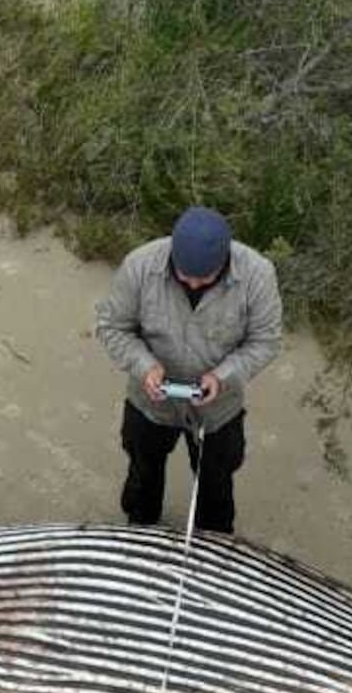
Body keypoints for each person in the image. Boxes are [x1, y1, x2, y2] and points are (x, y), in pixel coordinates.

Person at [93, 205, 284, 536]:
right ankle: (140, 531)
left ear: (225, 262)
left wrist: (222, 377)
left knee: (216, 490)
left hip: (217, 410)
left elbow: (265, 341)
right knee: (142, 476)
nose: (193, 283)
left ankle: (212, 545)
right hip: (149, 403)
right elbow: (112, 327)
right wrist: (145, 366)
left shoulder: (258, 275)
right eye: (184, 276)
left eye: (204, 278)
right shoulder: (139, 266)